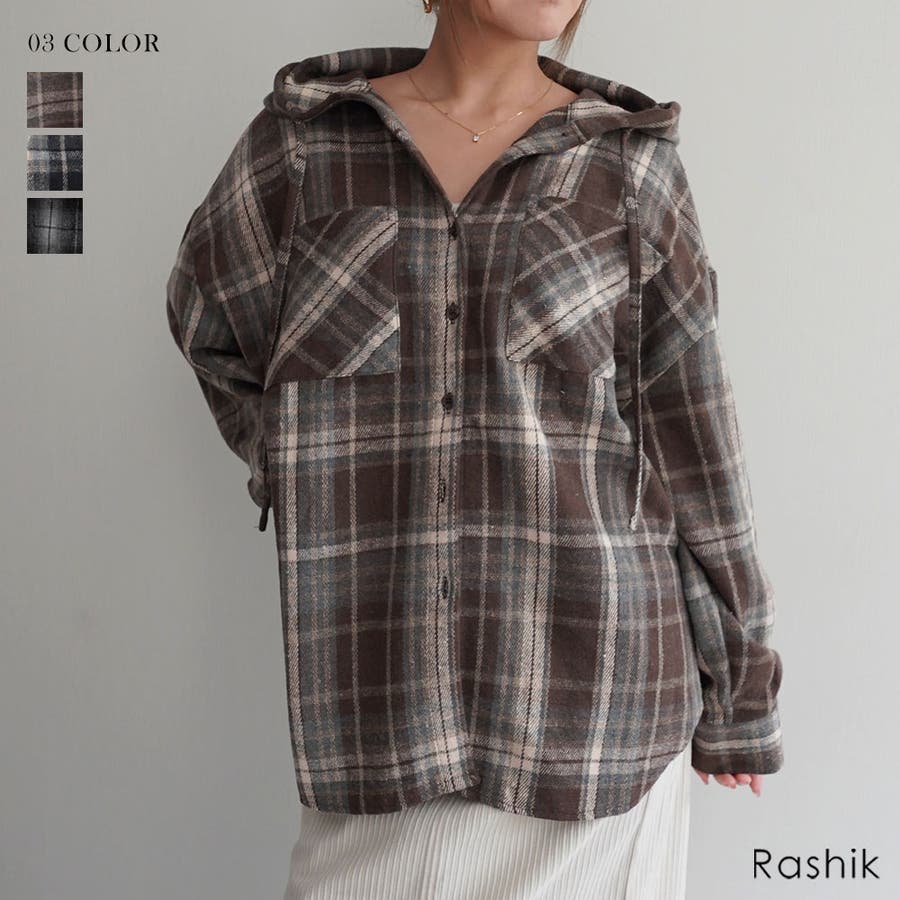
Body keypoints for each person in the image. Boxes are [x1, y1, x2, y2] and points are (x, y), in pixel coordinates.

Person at [165, 1, 785, 897]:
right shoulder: (303, 149)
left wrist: (740, 690)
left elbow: (693, 439)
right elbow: (209, 326)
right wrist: (289, 461)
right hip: (381, 710)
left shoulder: (628, 166)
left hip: (598, 717)